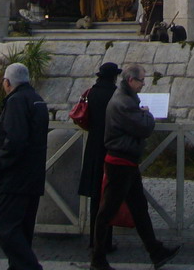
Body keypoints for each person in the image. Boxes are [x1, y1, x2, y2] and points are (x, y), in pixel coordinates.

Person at [91, 63, 179, 270]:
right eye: (141, 80)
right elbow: (145, 127)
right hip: (120, 163)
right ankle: (97, 259)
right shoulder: (123, 102)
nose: (143, 84)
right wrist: (147, 114)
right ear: (131, 80)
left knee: (139, 210)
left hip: (126, 162)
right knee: (106, 213)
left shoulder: (126, 99)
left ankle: (156, 252)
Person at [0, 62, 49, 270]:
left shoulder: (17, 101)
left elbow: (16, 139)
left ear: (8, 82)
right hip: (33, 176)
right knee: (22, 229)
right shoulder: (37, 101)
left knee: (4, 226)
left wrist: (0, 165)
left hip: (14, 178)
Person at [78, 61, 122, 252]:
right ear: (114, 76)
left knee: (96, 197)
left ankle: (93, 239)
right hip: (111, 147)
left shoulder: (92, 92)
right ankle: (105, 241)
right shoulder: (115, 94)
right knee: (109, 197)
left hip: (93, 146)